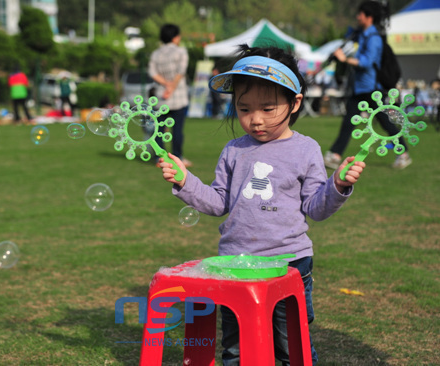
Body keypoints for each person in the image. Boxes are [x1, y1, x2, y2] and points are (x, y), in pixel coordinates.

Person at [157, 45, 366, 366]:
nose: (255, 120)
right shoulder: (233, 150)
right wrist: (186, 181)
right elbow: (217, 202)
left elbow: (315, 208)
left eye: (268, 109)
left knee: (288, 344)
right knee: (236, 347)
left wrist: (338, 185)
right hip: (235, 265)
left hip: (290, 263)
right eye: (244, 109)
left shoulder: (306, 149)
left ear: (295, 102)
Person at [324, 0, 411, 170]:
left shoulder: (374, 38)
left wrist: (345, 59)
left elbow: (367, 61)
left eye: (360, 14)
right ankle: (335, 155)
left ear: (369, 17)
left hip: (372, 89)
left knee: (385, 122)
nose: (357, 17)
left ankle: (404, 153)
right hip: (359, 88)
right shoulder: (360, 35)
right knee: (349, 122)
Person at [149, 23, 191, 167]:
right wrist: (172, 87)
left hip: (161, 97)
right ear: (175, 37)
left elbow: (153, 73)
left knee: (158, 130)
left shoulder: (156, 54)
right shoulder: (181, 52)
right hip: (178, 96)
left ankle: (159, 159)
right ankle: (177, 157)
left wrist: (166, 85)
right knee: (177, 129)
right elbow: (181, 71)